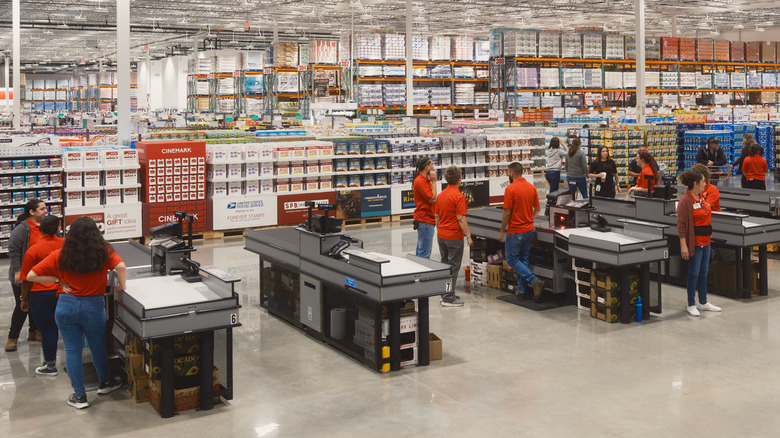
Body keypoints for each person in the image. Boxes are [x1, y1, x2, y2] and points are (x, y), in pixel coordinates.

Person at [27, 217, 127, 409]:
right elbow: (121, 267)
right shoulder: (102, 252)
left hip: (66, 306)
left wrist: (57, 281)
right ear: (96, 233)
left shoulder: (60, 254)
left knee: (73, 350)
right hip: (93, 307)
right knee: (97, 346)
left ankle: (80, 396)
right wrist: (120, 287)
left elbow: (32, 275)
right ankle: (104, 383)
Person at [19, 215, 64, 376]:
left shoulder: (34, 250)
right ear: (58, 228)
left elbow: (26, 278)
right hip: (64, 292)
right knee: (63, 328)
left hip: (40, 295)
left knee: (48, 330)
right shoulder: (66, 245)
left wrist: (24, 299)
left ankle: (50, 365)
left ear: (41, 230)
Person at [677, 170, 721, 317]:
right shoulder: (685, 201)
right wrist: (684, 245)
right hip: (694, 242)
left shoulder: (701, 197)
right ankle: (691, 304)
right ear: (695, 184)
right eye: (703, 182)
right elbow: (681, 226)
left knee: (704, 272)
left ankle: (703, 302)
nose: (705, 184)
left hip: (706, 241)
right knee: (693, 273)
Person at [499, 162, 544, 301]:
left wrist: (502, 231)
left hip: (516, 231)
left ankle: (534, 280)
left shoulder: (510, 189)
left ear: (511, 173)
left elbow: (506, 212)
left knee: (512, 260)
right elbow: (537, 209)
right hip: (529, 229)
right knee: (524, 260)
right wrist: (528, 218)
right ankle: (522, 290)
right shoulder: (531, 188)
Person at [5, 198, 45, 352]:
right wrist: (17, 271)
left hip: (40, 274)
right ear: (32, 212)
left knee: (35, 304)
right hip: (22, 275)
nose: (45, 211)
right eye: (41, 209)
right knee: (22, 305)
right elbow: (13, 251)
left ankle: (33, 332)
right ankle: (12, 337)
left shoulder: (47, 226)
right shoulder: (22, 229)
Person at [435, 166, 472, 307]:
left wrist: (440, 231)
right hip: (454, 236)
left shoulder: (441, 195)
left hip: (441, 235)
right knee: (454, 267)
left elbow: (437, 217)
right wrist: (468, 235)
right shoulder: (459, 197)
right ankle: (449, 298)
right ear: (459, 179)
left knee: (445, 265)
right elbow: (461, 219)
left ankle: (445, 293)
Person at [413, 156, 438, 259]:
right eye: (432, 165)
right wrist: (435, 182)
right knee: (424, 253)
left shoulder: (424, 180)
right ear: (427, 167)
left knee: (421, 250)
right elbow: (432, 198)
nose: (433, 167)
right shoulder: (420, 181)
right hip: (425, 220)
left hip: (426, 219)